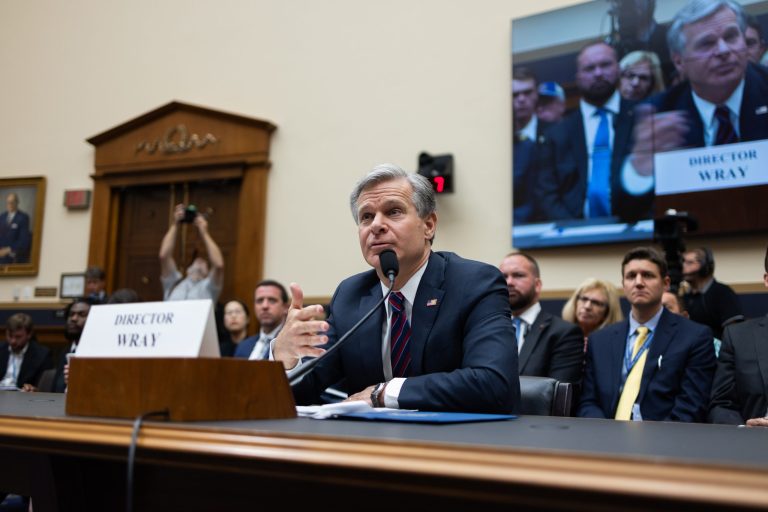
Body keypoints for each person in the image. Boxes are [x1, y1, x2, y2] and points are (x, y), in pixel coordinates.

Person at [272, 164, 519, 413]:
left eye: (393, 212)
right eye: (366, 217)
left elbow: (493, 384)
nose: (376, 226)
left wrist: (383, 393)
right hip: (368, 446)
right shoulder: (351, 295)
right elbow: (302, 392)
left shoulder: (474, 282)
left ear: (429, 225)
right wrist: (285, 358)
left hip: (457, 444)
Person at [627, 0, 768, 182]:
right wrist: (641, 171)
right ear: (679, 62)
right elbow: (627, 203)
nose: (723, 50)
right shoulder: (660, 112)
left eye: (731, 36)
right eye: (707, 44)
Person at [578, 246, 716, 422]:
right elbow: (588, 402)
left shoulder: (694, 337)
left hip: (663, 442)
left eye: (648, 275)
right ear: (624, 285)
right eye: (631, 276)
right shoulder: (600, 340)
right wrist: (605, 435)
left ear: (666, 284)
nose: (638, 282)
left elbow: (691, 407)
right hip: (604, 439)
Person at [536, 41, 642, 222]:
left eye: (605, 65)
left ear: (618, 69)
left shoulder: (642, 117)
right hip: (575, 235)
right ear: (578, 77)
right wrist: (574, 231)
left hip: (637, 230)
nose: (598, 73)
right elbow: (547, 194)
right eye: (589, 68)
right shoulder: (557, 134)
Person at [499, 252, 584, 383]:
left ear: (537, 285)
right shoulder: (487, 328)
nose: (509, 282)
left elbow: (557, 394)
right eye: (503, 276)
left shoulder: (563, 333)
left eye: (518, 275)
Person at [709, 244, 768, 426]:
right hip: (754, 446)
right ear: (767, 280)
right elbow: (721, 405)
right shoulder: (739, 337)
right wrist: (744, 431)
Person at [512, 67, 555, 224]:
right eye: (515, 95)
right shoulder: (499, 140)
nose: (521, 99)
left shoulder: (555, 132)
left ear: (536, 94)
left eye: (527, 92)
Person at [159, 203, 224, 302]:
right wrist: (175, 224)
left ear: (207, 273)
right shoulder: (174, 281)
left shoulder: (210, 287)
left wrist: (204, 232)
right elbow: (164, 256)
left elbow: (219, 264)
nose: (200, 261)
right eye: (196, 261)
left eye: (204, 263)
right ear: (188, 270)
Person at [682, 247, 744, 340]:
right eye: (682, 262)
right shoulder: (685, 297)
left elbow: (734, 332)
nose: (683, 266)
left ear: (705, 267)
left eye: (689, 263)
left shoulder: (722, 293)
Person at [235, 280, 290, 360]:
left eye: (272, 300)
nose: (264, 306)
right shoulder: (243, 345)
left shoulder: (294, 345)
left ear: (285, 308)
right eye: (259, 301)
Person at [562, 278, 624, 348]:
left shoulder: (614, 345)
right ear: (575, 302)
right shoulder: (560, 337)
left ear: (607, 312)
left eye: (596, 303)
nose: (587, 306)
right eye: (584, 299)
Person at [0, 313, 52, 391]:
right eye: (10, 336)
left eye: (18, 337)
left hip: (22, 397)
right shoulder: (1, 349)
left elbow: (43, 387)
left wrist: (33, 389)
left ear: (29, 334)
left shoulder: (42, 355)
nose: (13, 341)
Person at [52, 298, 93, 393]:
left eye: (81, 315)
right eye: (71, 314)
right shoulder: (64, 352)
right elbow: (55, 390)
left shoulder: (98, 353)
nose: (74, 319)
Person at [0, 192, 31, 264]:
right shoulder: (2, 217)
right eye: (8, 202)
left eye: (12, 202)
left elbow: (24, 241)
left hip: (14, 255)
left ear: (17, 203)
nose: (10, 205)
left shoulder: (23, 217)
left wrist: (8, 250)